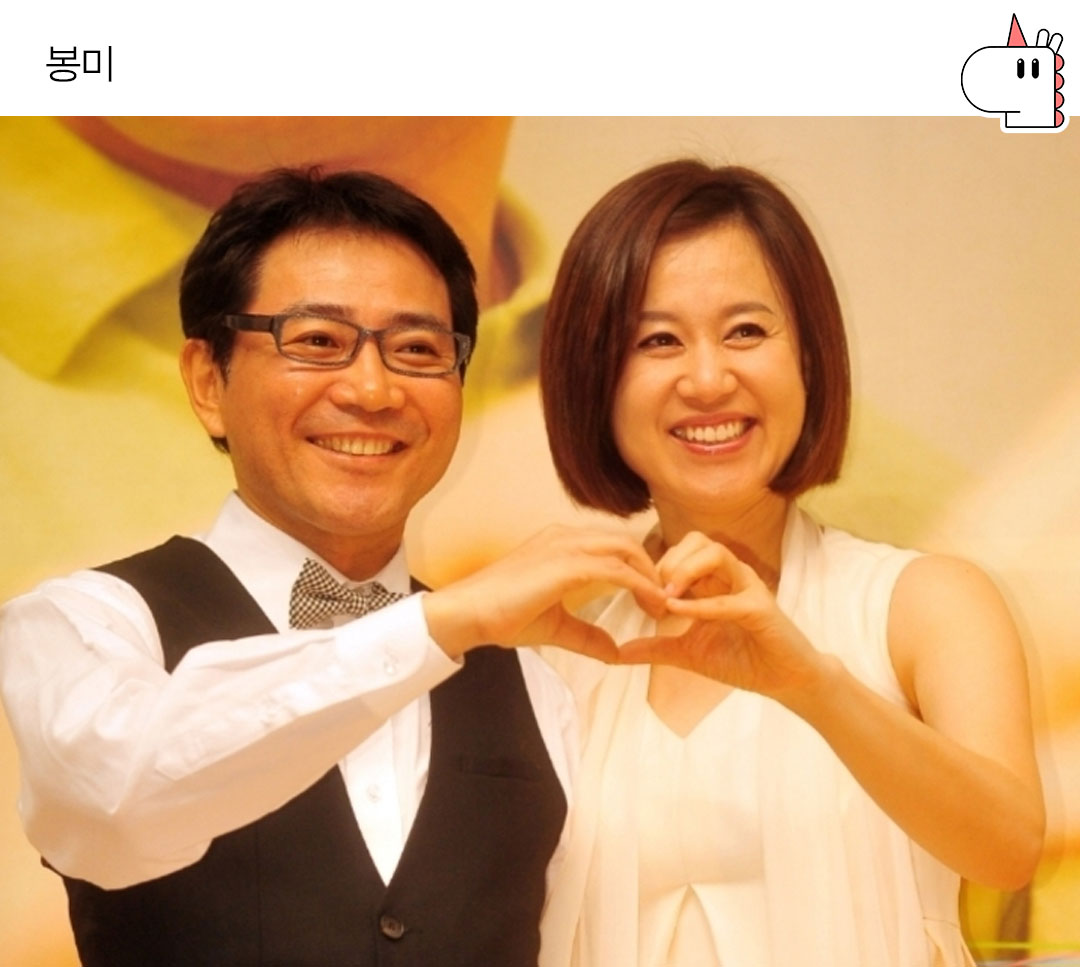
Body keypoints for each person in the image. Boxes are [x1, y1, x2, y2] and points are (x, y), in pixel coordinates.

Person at [0, 167, 667, 966]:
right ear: (208, 380)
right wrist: (435, 626)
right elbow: (118, 797)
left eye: (416, 349)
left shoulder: (536, 680)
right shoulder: (85, 623)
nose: (373, 389)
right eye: (317, 340)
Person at [536, 160, 1045, 966]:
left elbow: (1007, 847)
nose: (709, 379)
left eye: (746, 331)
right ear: (594, 380)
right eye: (657, 340)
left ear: (808, 356)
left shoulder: (922, 603)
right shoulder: (563, 660)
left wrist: (813, 683)